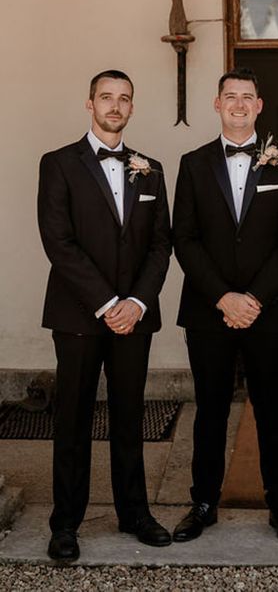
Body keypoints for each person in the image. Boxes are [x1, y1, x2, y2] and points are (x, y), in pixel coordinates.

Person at [37, 70, 172, 561]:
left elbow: (161, 245)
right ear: (89, 103)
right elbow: (59, 241)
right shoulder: (58, 164)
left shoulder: (151, 168)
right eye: (106, 97)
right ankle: (65, 524)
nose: (115, 105)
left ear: (132, 108)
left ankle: (134, 513)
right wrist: (106, 302)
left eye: (124, 99)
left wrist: (135, 302)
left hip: (135, 317)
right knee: (71, 419)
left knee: (130, 415)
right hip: (78, 314)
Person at [172, 68, 278, 546]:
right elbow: (183, 238)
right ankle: (203, 502)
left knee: (273, 410)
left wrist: (253, 298)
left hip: (268, 311)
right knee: (209, 410)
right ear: (217, 104)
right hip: (209, 311)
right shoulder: (192, 163)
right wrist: (222, 297)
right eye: (231, 96)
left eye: (247, 97)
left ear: (260, 105)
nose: (239, 104)